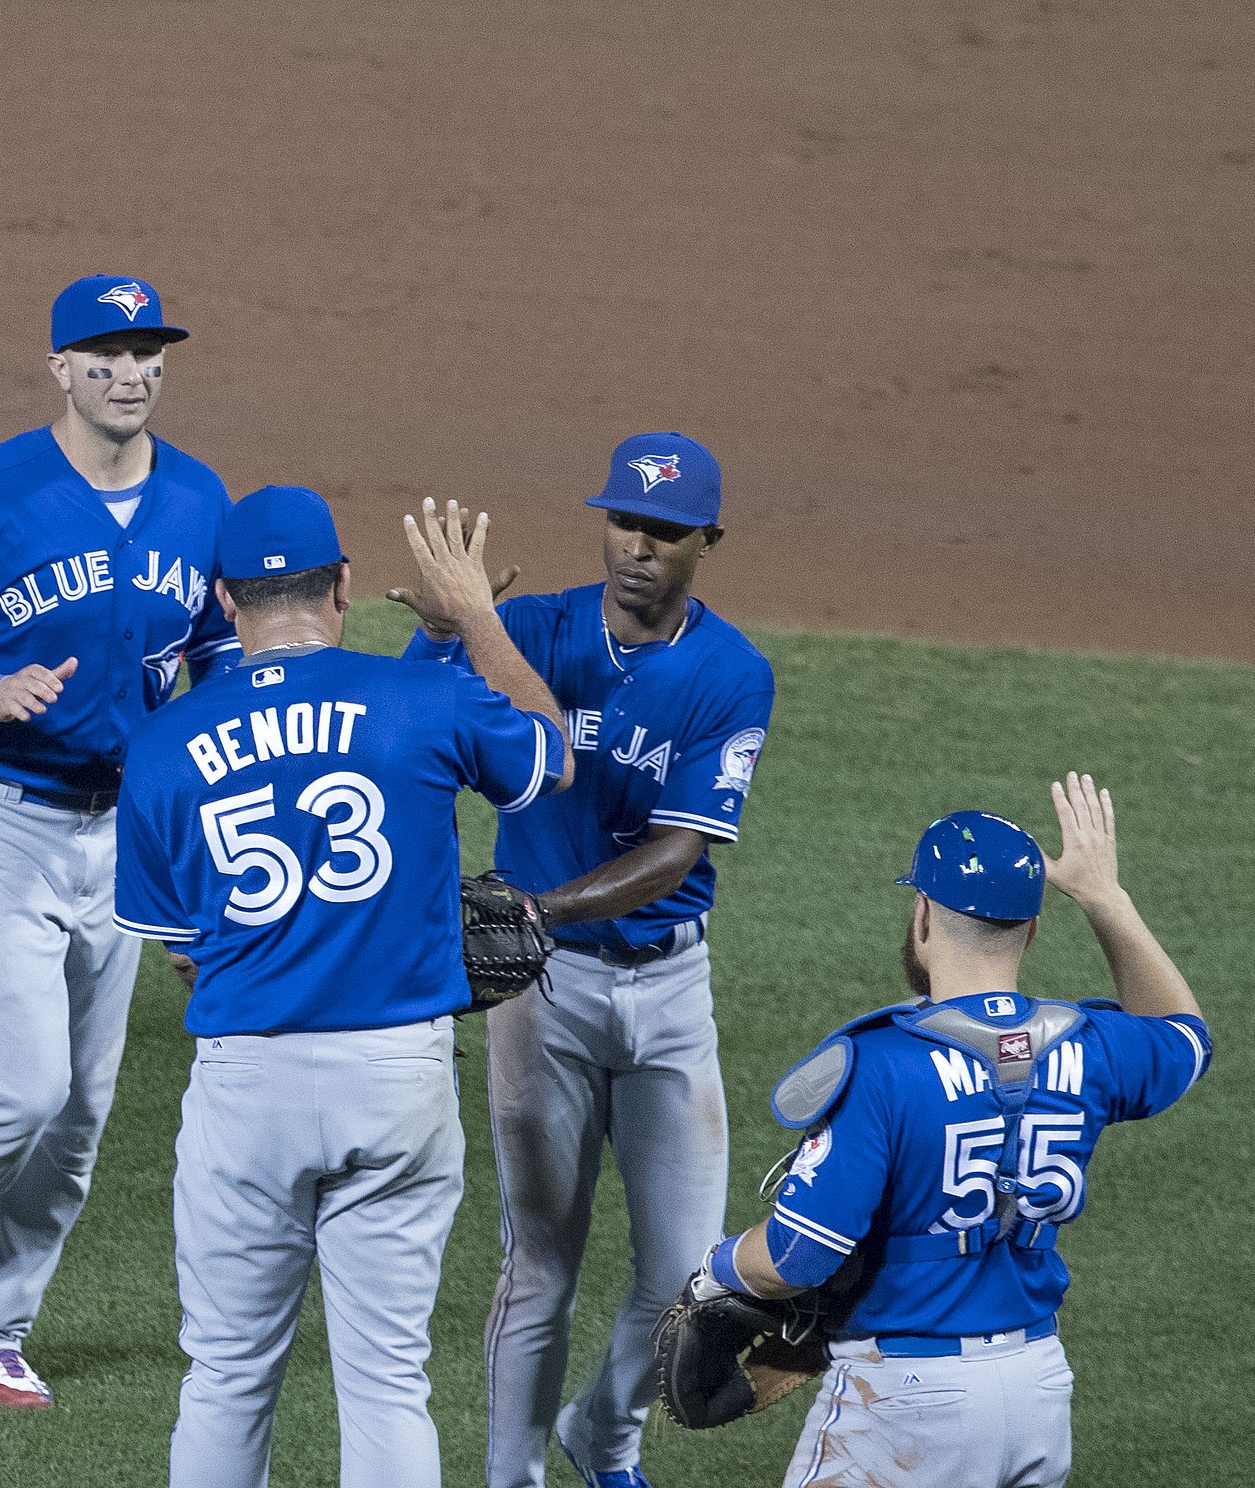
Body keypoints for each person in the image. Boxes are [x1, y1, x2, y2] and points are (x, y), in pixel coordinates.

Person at [115, 486, 571, 1487]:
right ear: (346, 590)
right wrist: (473, 621)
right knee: (384, 1379)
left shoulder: (159, 746)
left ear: (224, 600)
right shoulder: (427, 699)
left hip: (248, 1087)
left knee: (228, 1374)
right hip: (396, 1080)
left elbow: (183, 945)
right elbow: (549, 755)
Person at [0, 274, 241, 1407]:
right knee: (17, 1089)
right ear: (60, 367)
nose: (131, 373)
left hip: (120, 833)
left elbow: (214, 657)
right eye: (106, 354)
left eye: (147, 353)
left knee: (78, 1114)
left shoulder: (197, 500)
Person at [395, 432, 775, 1487]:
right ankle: (509, 1477)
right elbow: (411, 732)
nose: (636, 546)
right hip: (544, 997)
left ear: (706, 540)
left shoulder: (730, 673)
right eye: (622, 521)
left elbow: (674, 855)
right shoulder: (528, 630)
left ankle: (600, 1433)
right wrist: (440, 633)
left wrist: (539, 908)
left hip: (662, 991)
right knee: (539, 1267)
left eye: (662, 530)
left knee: (685, 1275)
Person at [687, 779, 1210, 1487]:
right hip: (1037, 1390)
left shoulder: (881, 1065)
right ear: (1029, 929)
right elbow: (1183, 1035)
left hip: (903, 1403)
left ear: (924, 915)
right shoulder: (1093, 1045)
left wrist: (711, 1273)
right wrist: (1103, 898)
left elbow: (796, 1258)